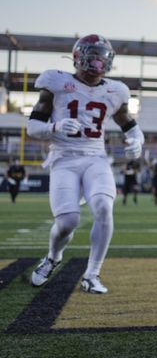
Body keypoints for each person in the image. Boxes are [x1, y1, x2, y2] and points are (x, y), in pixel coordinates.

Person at [24, 34, 144, 294]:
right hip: (64, 158)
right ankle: (53, 257)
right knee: (67, 222)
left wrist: (137, 140)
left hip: (95, 158)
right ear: (79, 58)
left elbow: (129, 125)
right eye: (94, 58)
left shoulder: (116, 90)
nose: (98, 64)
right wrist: (54, 126)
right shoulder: (56, 81)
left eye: (103, 59)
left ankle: (92, 274)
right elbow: (32, 126)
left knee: (103, 206)